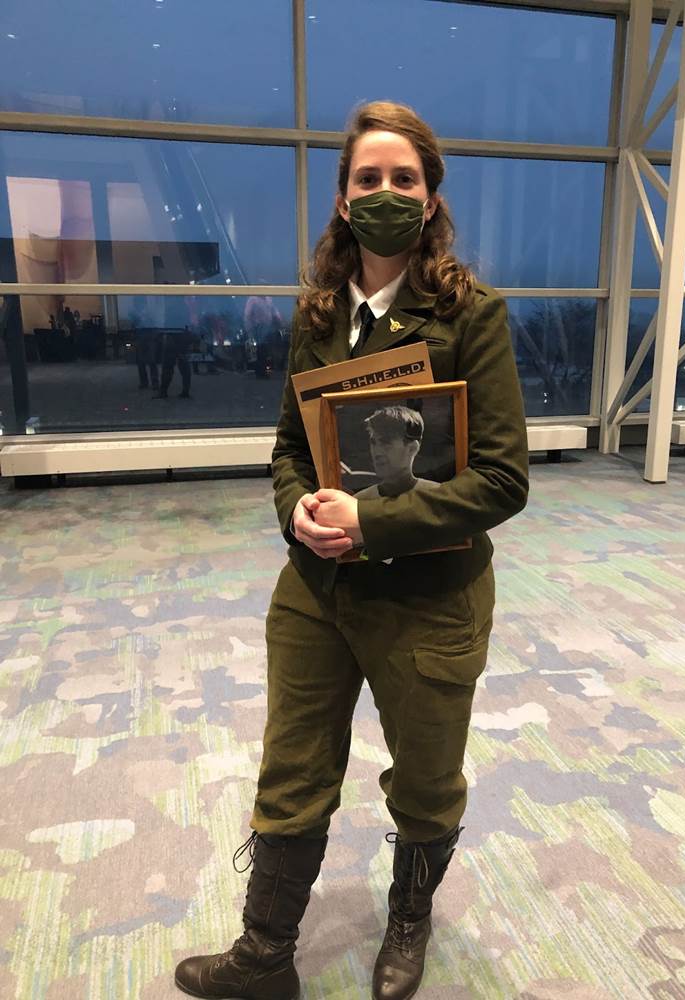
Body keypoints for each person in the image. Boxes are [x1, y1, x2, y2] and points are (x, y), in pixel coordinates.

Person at [175, 101, 528, 1000]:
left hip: (431, 593)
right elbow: (289, 448)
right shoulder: (319, 314)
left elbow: (502, 481)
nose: (385, 193)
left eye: (403, 178)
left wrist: (372, 522)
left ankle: (408, 922)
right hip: (319, 587)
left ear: (431, 197)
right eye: (367, 179)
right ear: (342, 199)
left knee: (426, 780)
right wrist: (297, 509)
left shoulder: (472, 316)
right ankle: (265, 956)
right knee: (291, 768)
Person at [354, 404, 441, 499]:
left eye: (386, 442)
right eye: (373, 443)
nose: (377, 453)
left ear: (412, 448)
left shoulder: (437, 496)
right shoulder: (360, 500)